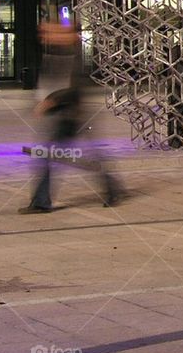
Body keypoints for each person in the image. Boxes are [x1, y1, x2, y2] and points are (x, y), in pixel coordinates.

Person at [19, 22, 125, 214]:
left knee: (56, 156)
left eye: (51, 33)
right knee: (49, 156)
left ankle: (112, 189)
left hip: (73, 117)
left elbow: (74, 90)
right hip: (63, 116)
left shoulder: (75, 57)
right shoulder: (58, 55)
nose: (46, 36)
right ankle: (112, 189)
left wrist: (51, 101)